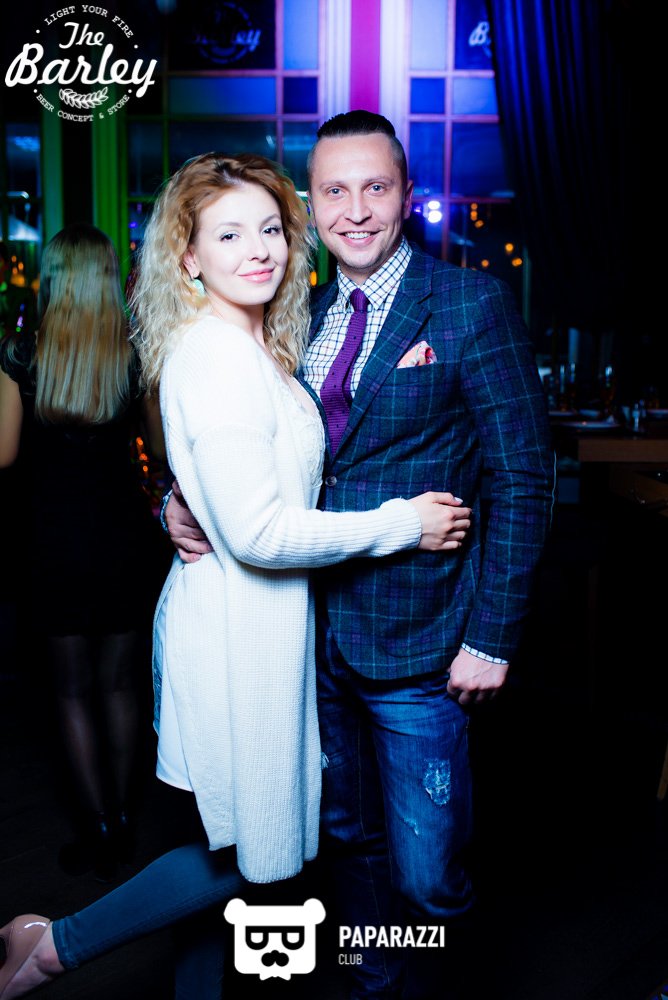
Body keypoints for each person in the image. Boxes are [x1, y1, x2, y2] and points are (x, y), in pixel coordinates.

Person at [0, 153, 471, 1000]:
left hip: (261, 627)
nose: (258, 250)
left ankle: (99, 959)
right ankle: (54, 946)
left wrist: (181, 502)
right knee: (258, 857)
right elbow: (258, 533)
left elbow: (241, 489)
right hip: (235, 636)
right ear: (187, 256)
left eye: (269, 229)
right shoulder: (216, 355)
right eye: (228, 235)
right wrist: (407, 523)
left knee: (237, 851)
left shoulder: (255, 344)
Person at [164, 112, 555, 998]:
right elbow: (244, 449)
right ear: (311, 204)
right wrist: (177, 503)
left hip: (424, 642)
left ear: (407, 195)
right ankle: (376, 988)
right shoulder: (288, 309)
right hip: (307, 642)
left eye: (375, 187)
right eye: (334, 191)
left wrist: (492, 639)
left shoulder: (468, 304)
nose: (355, 210)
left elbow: (524, 477)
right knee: (348, 846)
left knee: (426, 873)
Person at [0, 224, 167, 883]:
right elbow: (161, 451)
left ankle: (96, 825)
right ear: (105, 278)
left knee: (70, 692)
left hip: (50, 542)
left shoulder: (21, 353)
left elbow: (4, 455)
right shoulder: (134, 356)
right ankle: (123, 822)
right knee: (121, 685)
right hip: (122, 538)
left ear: (53, 278)